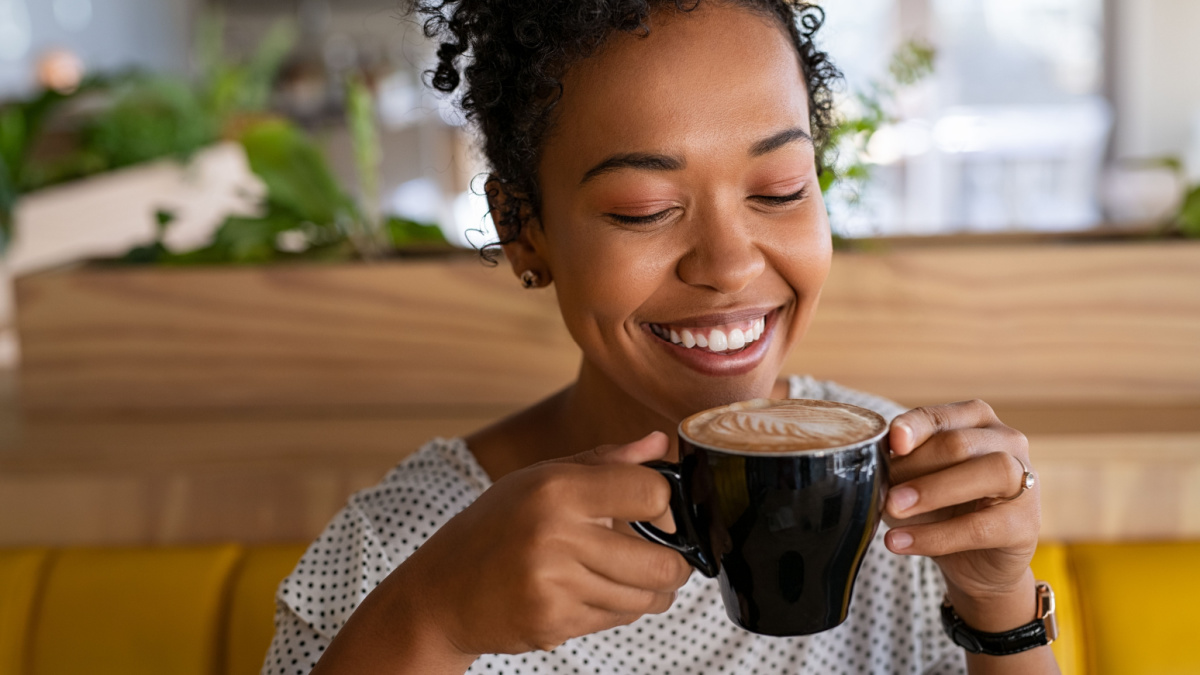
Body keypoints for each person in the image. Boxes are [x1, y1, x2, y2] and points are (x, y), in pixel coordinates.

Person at [264, 1, 1056, 673]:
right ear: (522, 227)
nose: (729, 265)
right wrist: (429, 619)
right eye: (643, 208)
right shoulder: (392, 552)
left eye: (780, 191)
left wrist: (997, 606)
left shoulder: (905, 502)